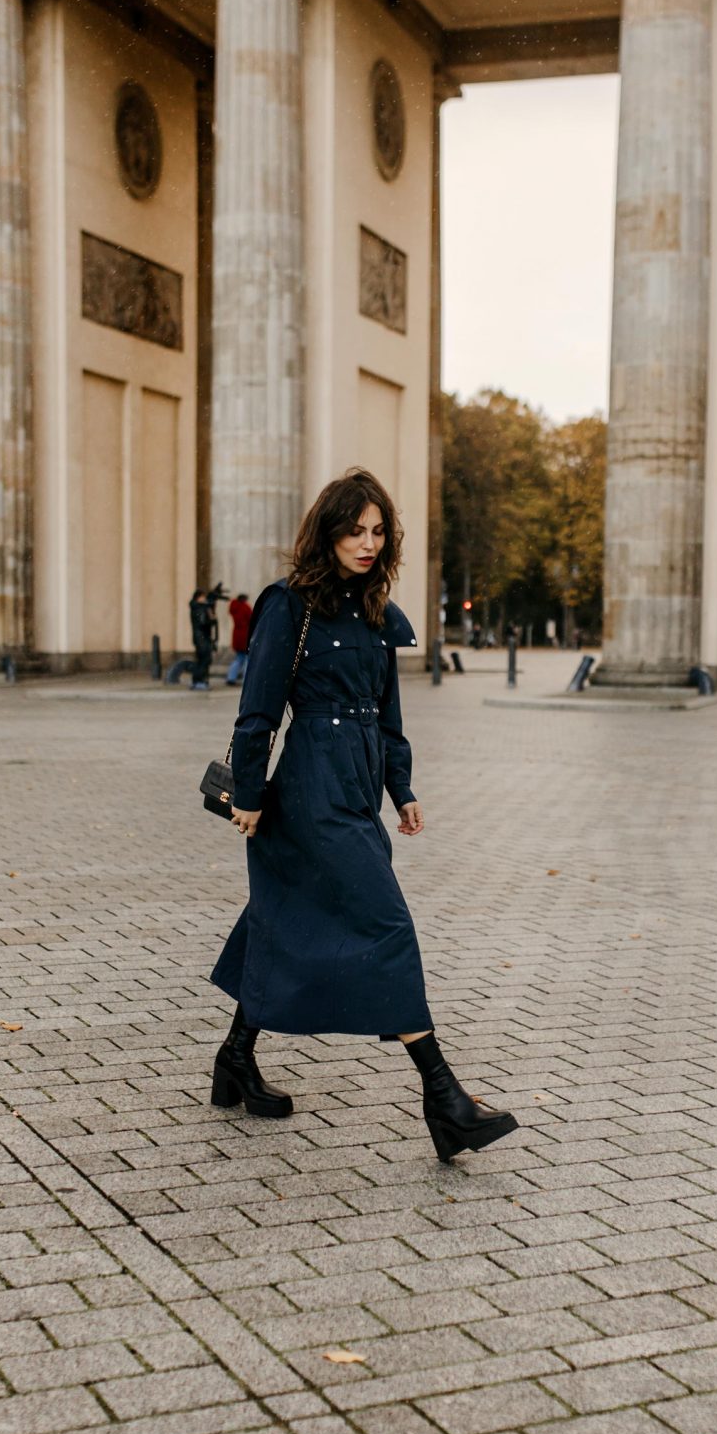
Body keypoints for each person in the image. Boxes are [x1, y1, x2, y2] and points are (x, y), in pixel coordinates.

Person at [209, 468, 518, 1163]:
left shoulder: (378, 611)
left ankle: (234, 1057)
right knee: (386, 924)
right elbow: (256, 710)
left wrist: (400, 786)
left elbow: (389, 715)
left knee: (279, 913)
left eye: (378, 532)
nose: (368, 543)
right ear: (328, 531)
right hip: (309, 789)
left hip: (356, 788)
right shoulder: (290, 605)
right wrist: (250, 796)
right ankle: (444, 1099)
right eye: (355, 530)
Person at [226, 592, 252, 686]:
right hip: (245, 636)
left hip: (237, 635)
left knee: (238, 659)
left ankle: (231, 677)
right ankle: (246, 679)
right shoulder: (245, 607)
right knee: (247, 659)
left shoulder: (234, 608)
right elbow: (252, 619)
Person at [189, 588, 213, 690]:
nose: (205, 599)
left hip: (200, 638)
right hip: (202, 638)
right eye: (203, 597)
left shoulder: (196, 607)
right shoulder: (199, 608)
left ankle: (198, 681)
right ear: (198, 597)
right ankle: (199, 681)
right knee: (204, 660)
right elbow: (204, 622)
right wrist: (211, 619)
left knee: (201, 660)